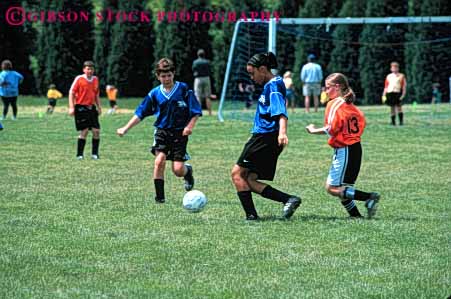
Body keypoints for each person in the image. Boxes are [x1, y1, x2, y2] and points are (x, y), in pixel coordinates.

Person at [117, 58, 202, 204]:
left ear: (173, 74)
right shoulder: (154, 93)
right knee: (159, 161)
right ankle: (160, 198)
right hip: (162, 132)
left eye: (169, 75)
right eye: (163, 76)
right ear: (158, 76)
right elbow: (140, 113)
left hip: (179, 133)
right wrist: (125, 128)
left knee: (177, 170)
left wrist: (189, 126)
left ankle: (188, 172)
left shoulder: (183, 89)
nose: (166, 79)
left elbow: (196, 111)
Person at [231, 52, 301, 221]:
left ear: (262, 69)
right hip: (265, 137)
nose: (251, 77)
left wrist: (282, 132)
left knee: (237, 174)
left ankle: (251, 216)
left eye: (252, 73)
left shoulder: (273, 86)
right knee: (250, 179)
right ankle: (288, 200)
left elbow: (281, 112)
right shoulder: (274, 83)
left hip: (265, 137)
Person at [306, 73, 380, 219]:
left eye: (328, 88)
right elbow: (361, 122)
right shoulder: (350, 105)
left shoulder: (334, 103)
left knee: (332, 188)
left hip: (345, 149)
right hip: (354, 147)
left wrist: (313, 130)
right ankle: (356, 217)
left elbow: (331, 128)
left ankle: (369, 197)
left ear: (337, 87)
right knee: (343, 188)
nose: (326, 91)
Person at [68, 60, 102, 160]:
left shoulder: (95, 79)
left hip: (91, 108)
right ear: (84, 70)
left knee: (96, 131)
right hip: (81, 107)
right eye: (88, 69)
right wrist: (71, 107)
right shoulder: (79, 79)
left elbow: (96, 94)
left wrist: (99, 107)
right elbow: (71, 93)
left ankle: (94, 154)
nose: (90, 71)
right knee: (85, 131)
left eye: (91, 69)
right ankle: (79, 155)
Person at [382, 61, 406, 126]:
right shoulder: (389, 76)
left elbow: (404, 87)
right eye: (393, 67)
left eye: (395, 67)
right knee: (392, 108)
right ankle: (393, 122)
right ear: (391, 68)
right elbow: (386, 86)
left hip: (397, 93)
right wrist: (383, 95)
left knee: (399, 107)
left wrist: (403, 95)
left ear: (398, 68)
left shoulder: (401, 76)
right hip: (390, 93)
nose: (394, 69)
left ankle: (401, 122)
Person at [192, 49, 212, 116]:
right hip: (206, 78)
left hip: (198, 79)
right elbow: (210, 70)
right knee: (208, 96)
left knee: (198, 96)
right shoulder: (207, 62)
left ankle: (198, 113)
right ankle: (209, 112)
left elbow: (193, 70)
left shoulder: (195, 62)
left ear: (198, 55)